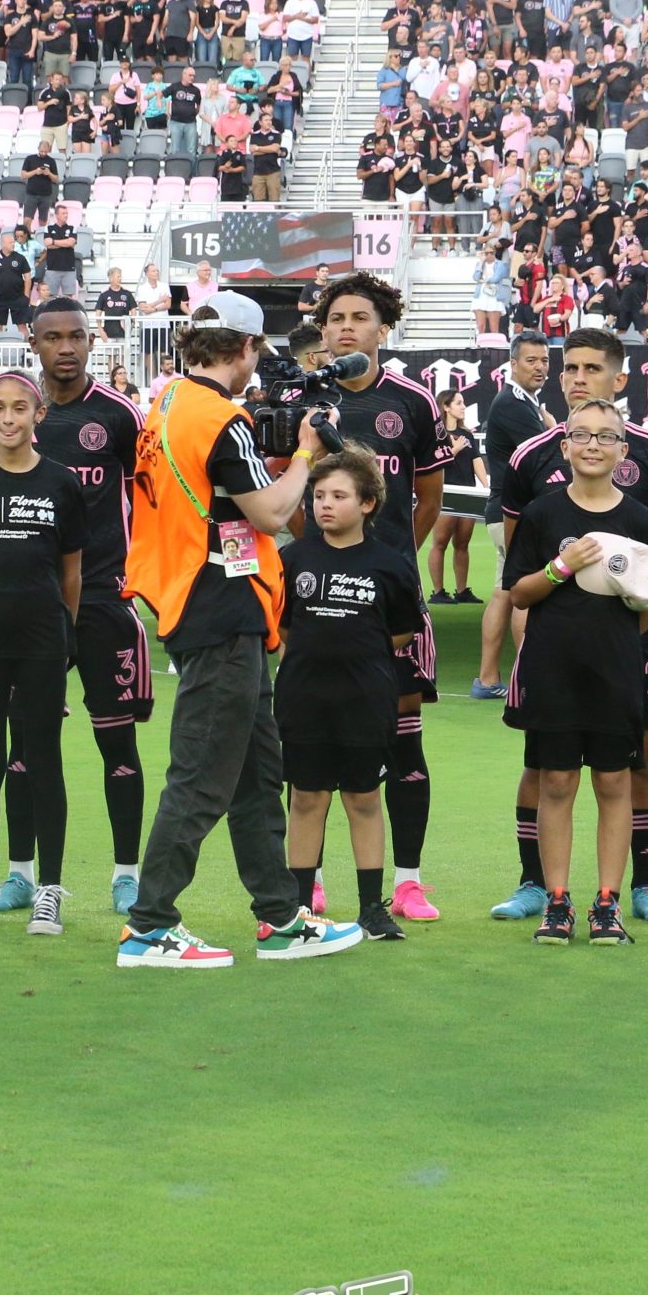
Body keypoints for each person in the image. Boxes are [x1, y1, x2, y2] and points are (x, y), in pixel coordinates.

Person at [117, 291, 364, 968]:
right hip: (219, 605)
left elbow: (221, 497)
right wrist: (306, 454)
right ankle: (149, 925)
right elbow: (273, 514)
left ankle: (280, 916)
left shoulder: (169, 401)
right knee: (201, 775)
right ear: (245, 347)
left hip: (201, 597)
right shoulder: (220, 417)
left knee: (256, 777)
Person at [489, 332, 648, 923]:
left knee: (631, 768)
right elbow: (518, 578)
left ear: (619, 381)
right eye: (570, 368)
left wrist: (636, 614)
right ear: (566, 443)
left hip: (621, 655)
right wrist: (556, 578)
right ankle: (541, 887)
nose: (579, 378)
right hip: (551, 653)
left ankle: (635, 888)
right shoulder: (533, 468)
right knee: (548, 773)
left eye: (592, 368)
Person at [8, 300, 150, 914]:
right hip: (30, 606)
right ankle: (20, 873)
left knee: (116, 743)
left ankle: (126, 875)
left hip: (101, 599)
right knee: (23, 745)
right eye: (53, 338)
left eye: (76, 337)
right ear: (33, 343)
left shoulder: (118, 415)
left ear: (92, 342)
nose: (65, 348)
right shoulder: (18, 414)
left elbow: (150, 501)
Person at [312, 274, 447, 919]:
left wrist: (389, 564)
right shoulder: (306, 401)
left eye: (359, 317)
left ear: (382, 327)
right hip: (317, 597)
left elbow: (429, 498)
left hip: (391, 599)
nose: (347, 328)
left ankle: (408, 882)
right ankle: (309, 882)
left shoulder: (412, 402)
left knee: (403, 741)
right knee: (316, 744)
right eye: (336, 318)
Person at [0, 371, 86, 935]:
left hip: (43, 641)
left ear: (38, 414)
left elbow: (71, 572)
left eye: (19, 408)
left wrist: (63, 635)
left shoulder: (61, 483)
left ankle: (49, 890)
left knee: (44, 760)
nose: (8, 418)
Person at [278, 447, 422, 941]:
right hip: (303, 697)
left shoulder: (390, 564)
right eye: (318, 495)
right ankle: (299, 908)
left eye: (339, 496)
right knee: (306, 798)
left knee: (363, 798)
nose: (325, 504)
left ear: (367, 503)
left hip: (365, 699)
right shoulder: (293, 558)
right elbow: (284, 626)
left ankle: (371, 909)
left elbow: (402, 630)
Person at [474, 331, 552, 699]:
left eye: (545, 360)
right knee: (526, 593)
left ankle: (487, 680)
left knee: (504, 593)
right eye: (531, 360)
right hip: (514, 513)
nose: (540, 367)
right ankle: (530, 680)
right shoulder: (513, 404)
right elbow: (547, 455)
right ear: (513, 364)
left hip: (503, 511)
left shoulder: (522, 402)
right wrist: (554, 428)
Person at [428, 389, 482, 602]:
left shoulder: (467, 434)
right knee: (440, 542)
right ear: (446, 406)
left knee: (462, 543)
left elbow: (476, 461)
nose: (463, 406)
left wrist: (487, 487)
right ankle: (438, 592)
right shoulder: (436, 434)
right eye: (458, 403)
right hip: (446, 493)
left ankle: (462, 591)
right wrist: (454, 450)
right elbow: (432, 462)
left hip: (468, 492)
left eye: (463, 402)